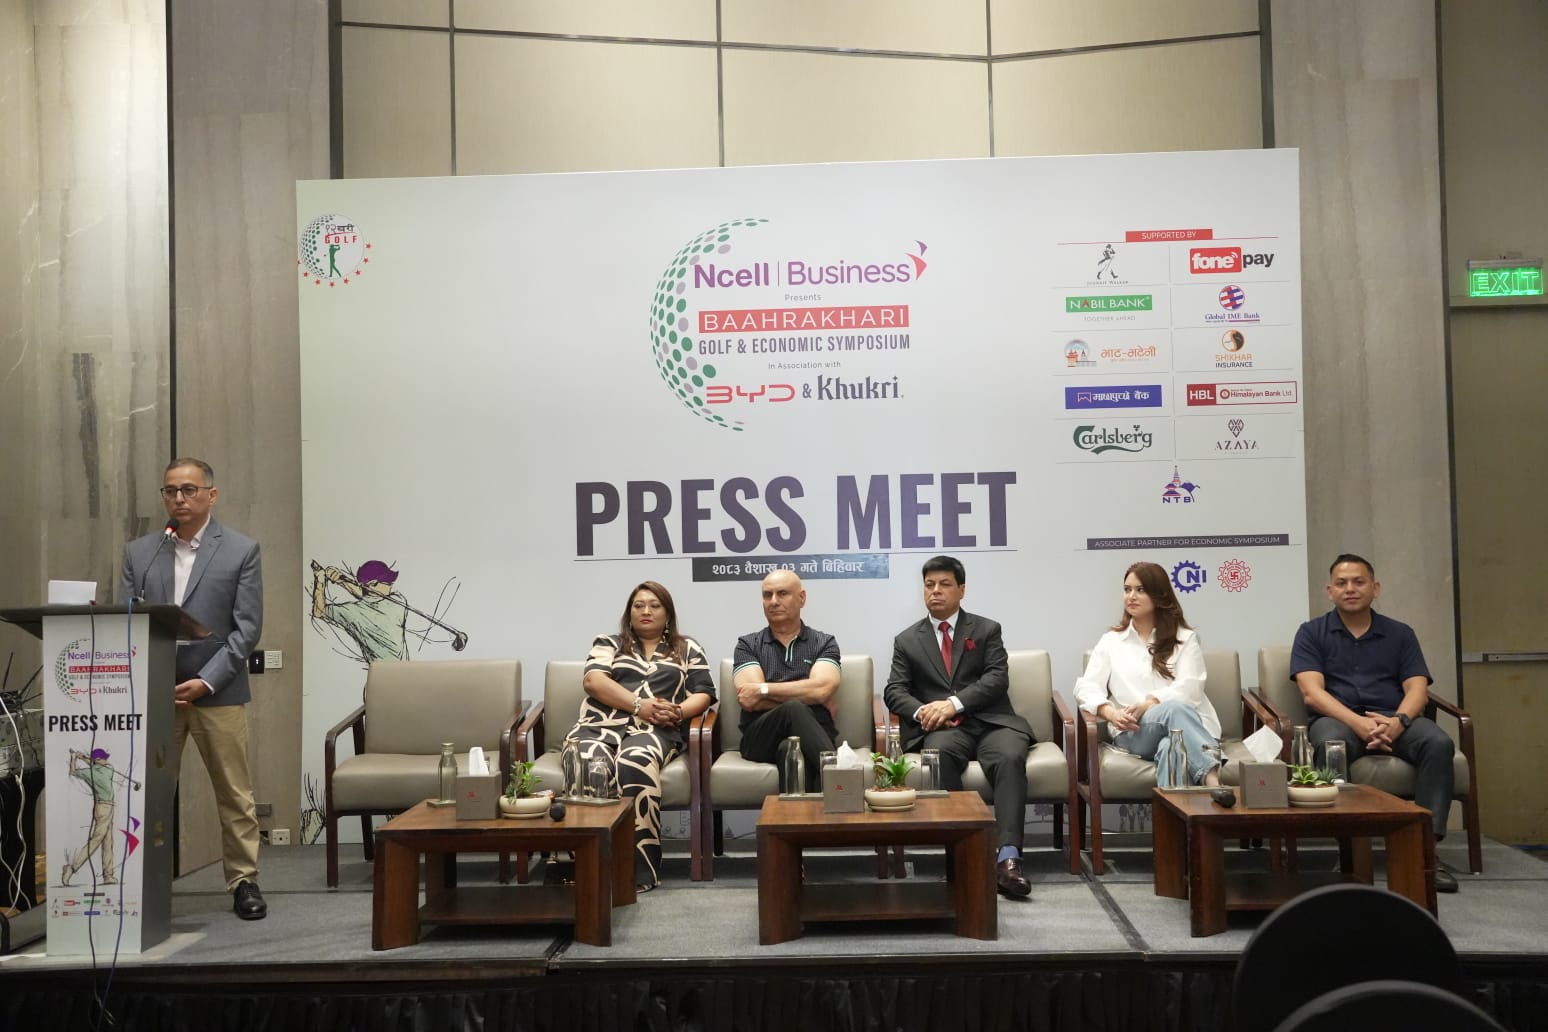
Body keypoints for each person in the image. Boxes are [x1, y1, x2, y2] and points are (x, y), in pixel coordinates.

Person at [121, 457, 267, 920]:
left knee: (235, 794)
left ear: (211, 495)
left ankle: (243, 880)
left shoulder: (241, 550)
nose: (179, 499)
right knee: (148, 792)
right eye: (170, 491)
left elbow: (246, 629)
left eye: (188, 490)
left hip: (217, 692)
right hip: (157, 692)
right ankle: (139, 883)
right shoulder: (140, 553)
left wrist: (206, 681)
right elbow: (126, 620)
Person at [1290, 553, 1458, 892]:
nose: (1350, 589)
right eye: (1341, 583)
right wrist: (1357, 723)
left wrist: (1399, 721)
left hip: (1394, 718)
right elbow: (1312, 693)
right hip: (1339, 719)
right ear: (1330, 591)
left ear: (1375, 588)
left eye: (1359, 581)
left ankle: (1425, 850)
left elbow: (1417, 689)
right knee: (1330, 744)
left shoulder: (1400, 634)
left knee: (1439, 743)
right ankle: (1348, 851)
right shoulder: (1312, 633)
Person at [883, 556, 1034, 899]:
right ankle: (966, 854)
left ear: (961, 589)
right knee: (939, 754)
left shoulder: (986, 630)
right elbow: (894, 690)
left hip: (992, 722)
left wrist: (954, 703)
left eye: (944, 584)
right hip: (944, 729)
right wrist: (924, 711)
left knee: (1010, 757)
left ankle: (1008, 859)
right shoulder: (907, 640)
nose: (935, 591)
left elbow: (996, 679)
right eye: (929, 585)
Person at [568, 581, 715, 891]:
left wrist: (678, 711)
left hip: (656, 730)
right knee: (588, 760)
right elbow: (594, 681)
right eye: (639, 605)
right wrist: (638, 705)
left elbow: (703, 693)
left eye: (654, 605)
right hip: (597, 727)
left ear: (667, 613)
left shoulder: (687, 648)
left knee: (635, 761)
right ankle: (590, 867)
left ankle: (636, 872)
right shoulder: (608, 643)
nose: (646, 611)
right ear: (629, 613)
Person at [1073, 561, 1222, 787]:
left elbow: (1190, 689)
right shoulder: (1112, 641)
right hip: (1135, 731)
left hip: (1187, 728)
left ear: (1159, 595)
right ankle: (1213, 781)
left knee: (1171, 747)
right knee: (1173, 710)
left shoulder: (1184, 638)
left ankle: (1173, 811)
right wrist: (1111, 713)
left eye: (1140, 590)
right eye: (1127, 589)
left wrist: (1150, 703)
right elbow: (1087, 687)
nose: (1131, 596)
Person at [732, 570, 841, 792]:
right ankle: (838, 780)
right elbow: (750, 700)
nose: (773, 602)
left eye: (782, 593)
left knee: (790, 751)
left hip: (815, 733)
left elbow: (822, 688)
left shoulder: (823, 642)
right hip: (761, 736)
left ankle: (798, 815)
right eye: (767, 595)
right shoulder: (748, 645)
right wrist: (808, 698)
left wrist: (763, 689)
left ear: (802, 598)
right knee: (794, 709)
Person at [310, 559, 410, 663]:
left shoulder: (352, 612)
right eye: (387, 581)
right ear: (373, 584)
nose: (390, 584)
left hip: (379, 671)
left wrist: (320, 580)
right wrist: (341, 580)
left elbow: (319, 611)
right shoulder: (399, 601)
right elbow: (368, 595)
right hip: (404, 670)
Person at [59, 748, 130, 887]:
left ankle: (108, 875)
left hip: (105, 807)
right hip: (104, 809)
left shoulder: (91, 772)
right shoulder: (108, 769)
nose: (106, 760)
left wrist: (75, 758)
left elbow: (74, 771)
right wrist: (81, 757)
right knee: (96, 840)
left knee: (108, 843)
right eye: (104, 758)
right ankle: (72, 868)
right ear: (98, 760)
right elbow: (93, 765)